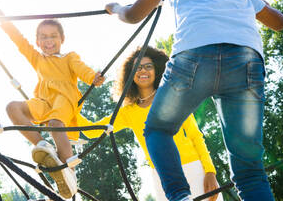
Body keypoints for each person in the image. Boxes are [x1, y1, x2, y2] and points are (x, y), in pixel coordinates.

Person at [104, 0, 283, 200]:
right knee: (250, 171)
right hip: (246, 62)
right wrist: (255, 3)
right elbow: (279, 22)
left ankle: (180, 196)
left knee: (158, 129)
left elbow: (134, 14)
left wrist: (115, 9)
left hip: (197, 54)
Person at [0, 3, 105, 199]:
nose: (48, 41)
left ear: (62, 39)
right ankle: (44, 146)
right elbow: (18, 40)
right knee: (13, 108)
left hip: (64, 99)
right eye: (43, 37)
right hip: (43, 100)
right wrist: (0, 17)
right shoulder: (37, 58)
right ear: (38, 41)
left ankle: (69, 172)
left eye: (53, 36)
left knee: (55, 124)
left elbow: (81, 69)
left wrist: (93, 77)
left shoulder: (69, 56)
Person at [78, 46, 222, 201]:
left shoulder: (172, 98)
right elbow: (92, 131)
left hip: (194, 169)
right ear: (130, 74)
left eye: (148, 66)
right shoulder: (128, 112)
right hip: (162, 177)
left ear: (158, 70)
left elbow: (195, 136)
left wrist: (210, 172)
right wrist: (70, 107)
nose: (143, 71)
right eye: (137, 68)